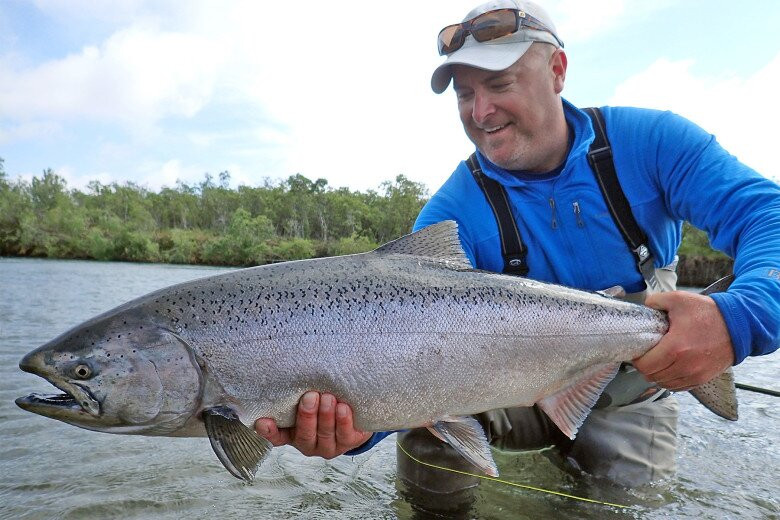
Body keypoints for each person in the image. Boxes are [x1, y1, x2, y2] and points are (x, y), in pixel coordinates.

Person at [254, 0, 780, 498]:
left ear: (557, 71)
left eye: (500, 83)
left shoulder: (653, 143)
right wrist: (358, 431)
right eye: (464, 94)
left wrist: (737, 319)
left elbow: (767, 216)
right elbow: (400, 356)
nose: (481, 111)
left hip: (633, 389)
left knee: (626, 503)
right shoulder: (451, 214)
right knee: (426, 431)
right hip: (504, 388)